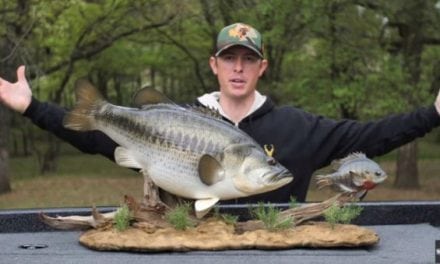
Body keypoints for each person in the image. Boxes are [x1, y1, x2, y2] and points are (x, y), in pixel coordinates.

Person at [1, 23, 440, 204]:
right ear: (214, 64)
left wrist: (434, 112)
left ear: (262, 67)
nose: (238, 68)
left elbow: (374, 135)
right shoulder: (181, 118)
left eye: (248, 60)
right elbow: (94, 135)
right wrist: (33, 107)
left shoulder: (299, 128)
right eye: (229, 58)